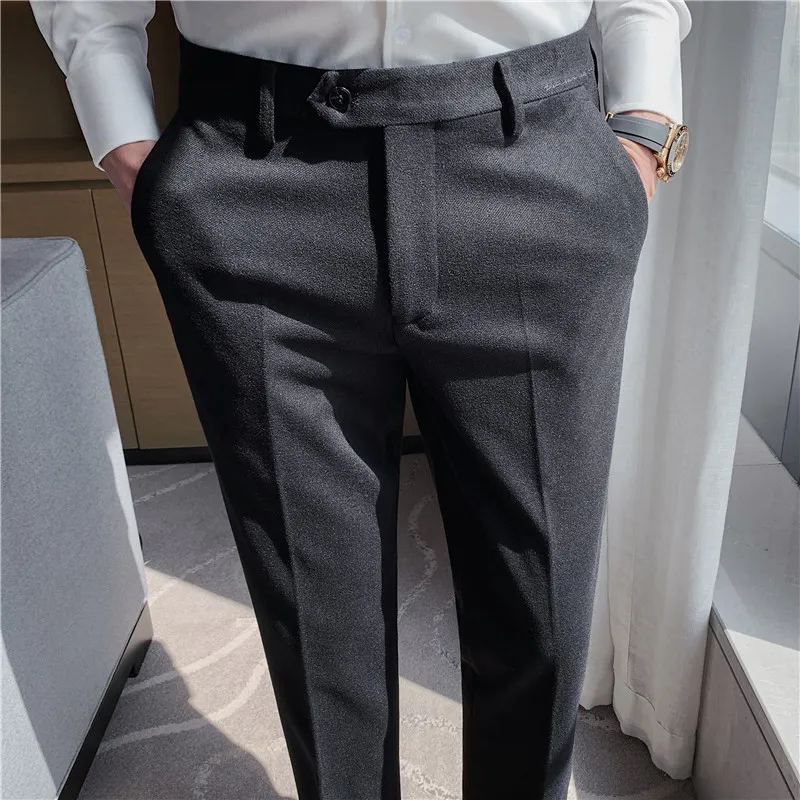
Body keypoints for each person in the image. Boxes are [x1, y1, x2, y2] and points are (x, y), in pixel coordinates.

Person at [31, 2, 692, 798]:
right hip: (254, 172)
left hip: (536, 160)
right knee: (317, 627)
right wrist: (127, 146)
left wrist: (646, 127)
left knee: (539, 606)